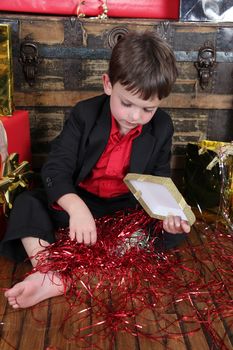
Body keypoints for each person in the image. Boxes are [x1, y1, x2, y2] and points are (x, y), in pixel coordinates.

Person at [1, 30, 191, 309]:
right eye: (127, 103)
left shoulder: (162, 127)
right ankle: (48, 269)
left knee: (177, 231)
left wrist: (166, 216)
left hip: (125, 209)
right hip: (80, 201)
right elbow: (56, 167)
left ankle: (105, 254)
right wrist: (75, 207)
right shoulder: (84, 115)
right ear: (108, 85)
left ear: (160, 103)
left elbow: (158, 180)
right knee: (26, 202)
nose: (135, 116)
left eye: (147, 109)